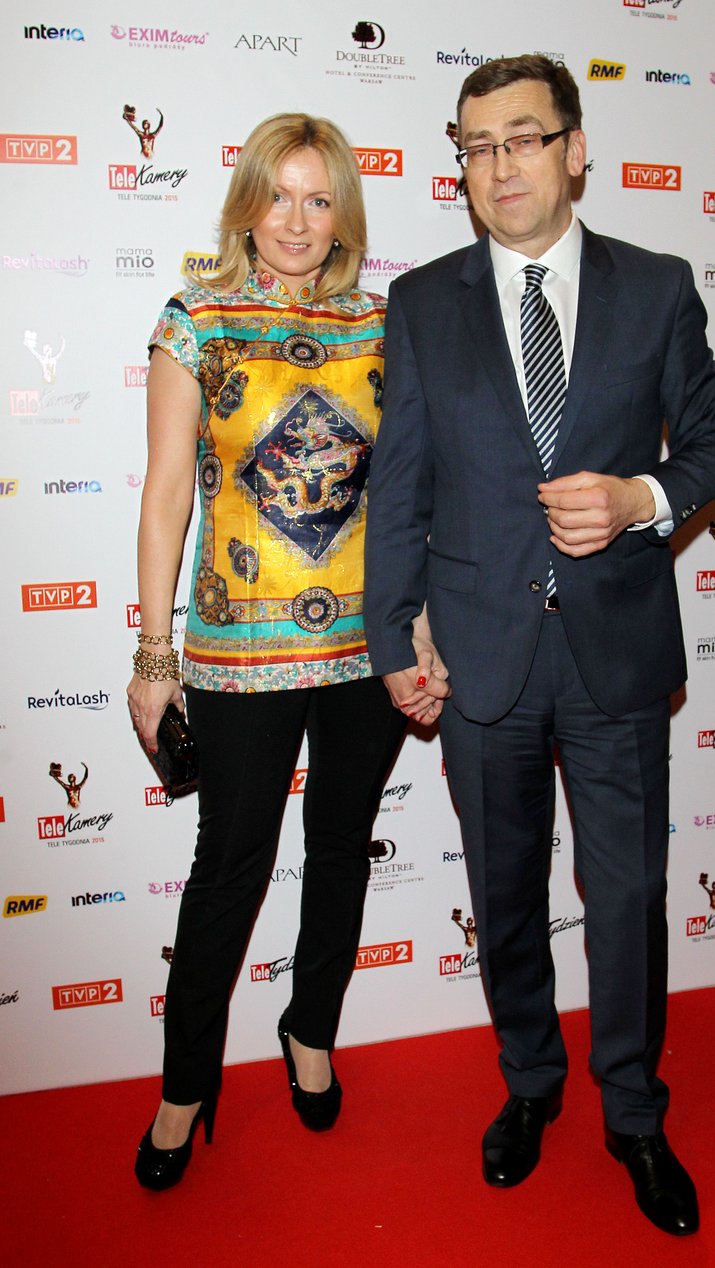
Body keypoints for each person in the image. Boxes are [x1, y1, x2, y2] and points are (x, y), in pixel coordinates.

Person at [364, 55, 715, 1236]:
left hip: (616, 650)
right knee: (505, 889)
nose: (500, 166)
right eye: (476, 146)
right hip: (479, 654)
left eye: (524, 138)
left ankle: (633, 1110)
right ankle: (531, 1081)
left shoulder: (657, 286)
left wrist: (639, 498)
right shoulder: (422, 302)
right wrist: (392, 633)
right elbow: (401, 484)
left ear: (575, 150)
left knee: (628, 894)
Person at [127, 111, 443, 1191]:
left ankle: (311, 1030)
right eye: (279, 194)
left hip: (367, 648)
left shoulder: (385, 326)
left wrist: (422, 619)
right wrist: (155, 657)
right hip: (237, 654)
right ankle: (184, 1087)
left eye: (320, 199)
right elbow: (167, 495)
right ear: (247, 201)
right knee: (230, 867)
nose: (298, 221)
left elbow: (412, 493)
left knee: (342, 847)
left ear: (344, 212)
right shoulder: (197, 320)